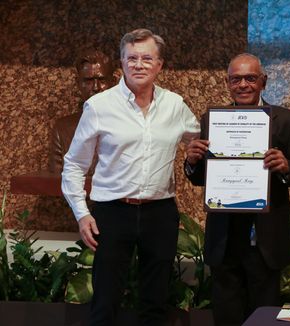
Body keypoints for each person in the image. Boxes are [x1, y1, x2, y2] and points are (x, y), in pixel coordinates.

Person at [61, 28, 199, 325]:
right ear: (121, 63)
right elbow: (73, 164)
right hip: (112, 212)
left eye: (147, 58)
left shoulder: (175, 105)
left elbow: (199, 141)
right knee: (106, 300)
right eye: (132, 58)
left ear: (160, 65)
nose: (139, 64)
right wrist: (82, 214)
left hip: (160, 213)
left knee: (155, 301)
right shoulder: (99, 106)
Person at [185, 53, 290, 325]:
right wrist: (192, 162)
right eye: (236, 79)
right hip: (225, 239)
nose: (243, 85)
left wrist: (285, 166)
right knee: (226, 317)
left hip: (265, 241)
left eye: (250, 78)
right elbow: (200, 179)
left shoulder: (287, 120)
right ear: (228, 83)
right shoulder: (212, 120)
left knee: (263, 318)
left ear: (263, 82)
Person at [48, 48, 115, 174]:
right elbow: (55, 181)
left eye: (101, 80)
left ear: (113, 82)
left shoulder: (128, 124)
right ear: (78, 83)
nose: (96, 88)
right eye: (88, 81)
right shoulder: (63, 129)